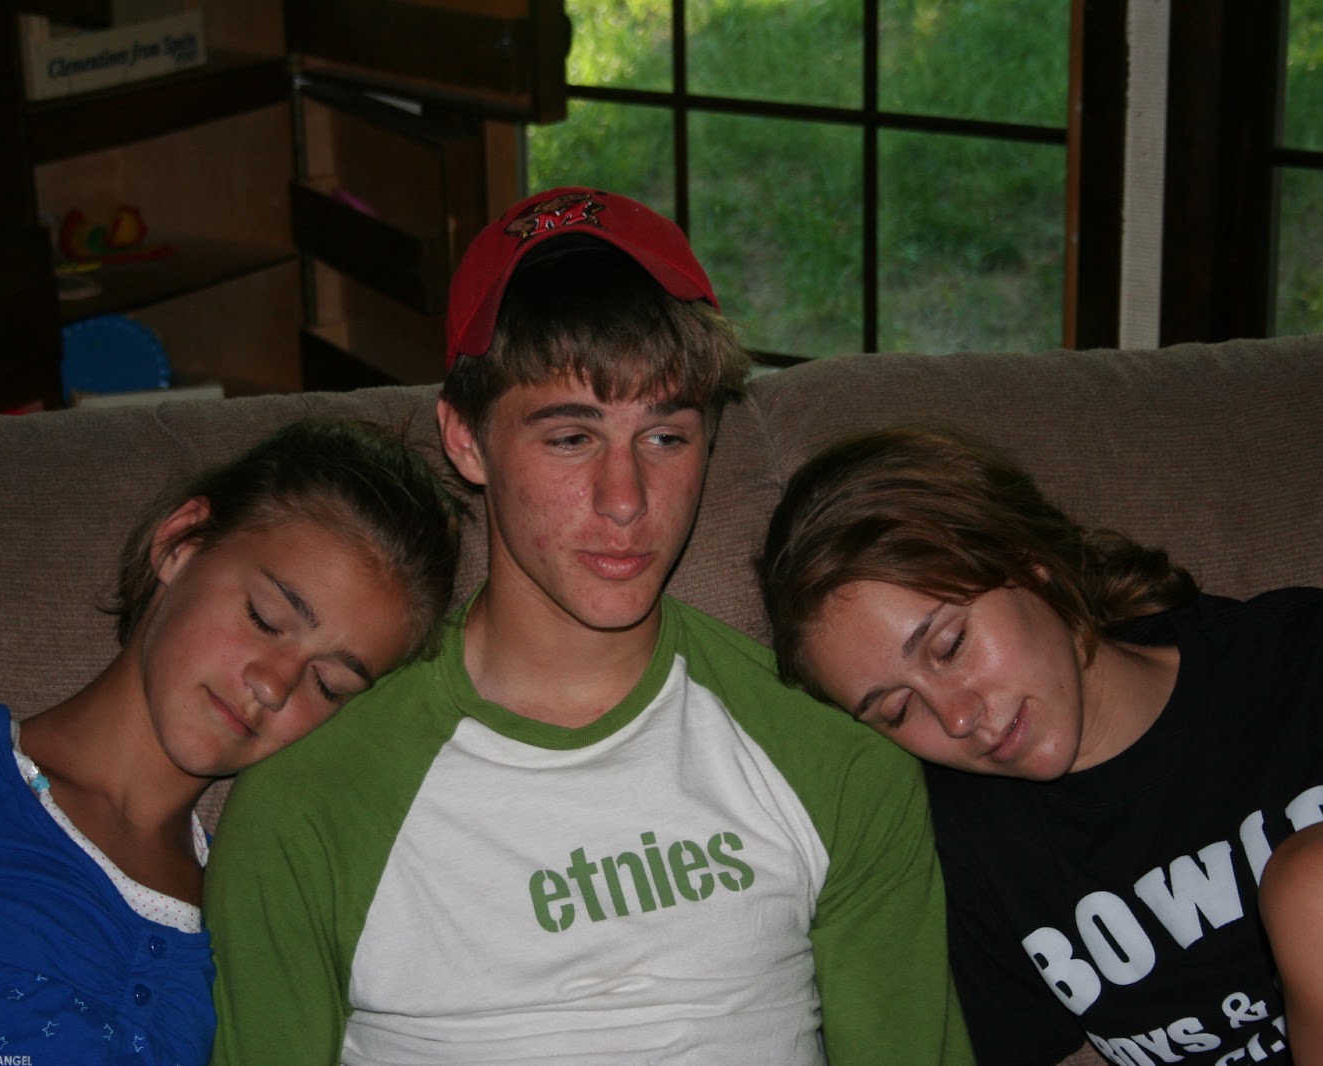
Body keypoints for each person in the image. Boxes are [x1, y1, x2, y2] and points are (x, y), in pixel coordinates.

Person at [205, 187, 975, 1065]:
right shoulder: (310, 801)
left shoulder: (837, 758)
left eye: (665, 437)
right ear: (465, 439)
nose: (625, 500)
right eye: (571, 438)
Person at [757, 423, 1323, 1066]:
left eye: (950, 645)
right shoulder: (966, 847)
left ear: (1030, 562)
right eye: (896, 709)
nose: (958, 717)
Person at [0, 417, 460, 1066]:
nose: (272, 685)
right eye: (265, 618)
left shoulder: (242, 916)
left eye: (328, 684)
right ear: (181, 543)